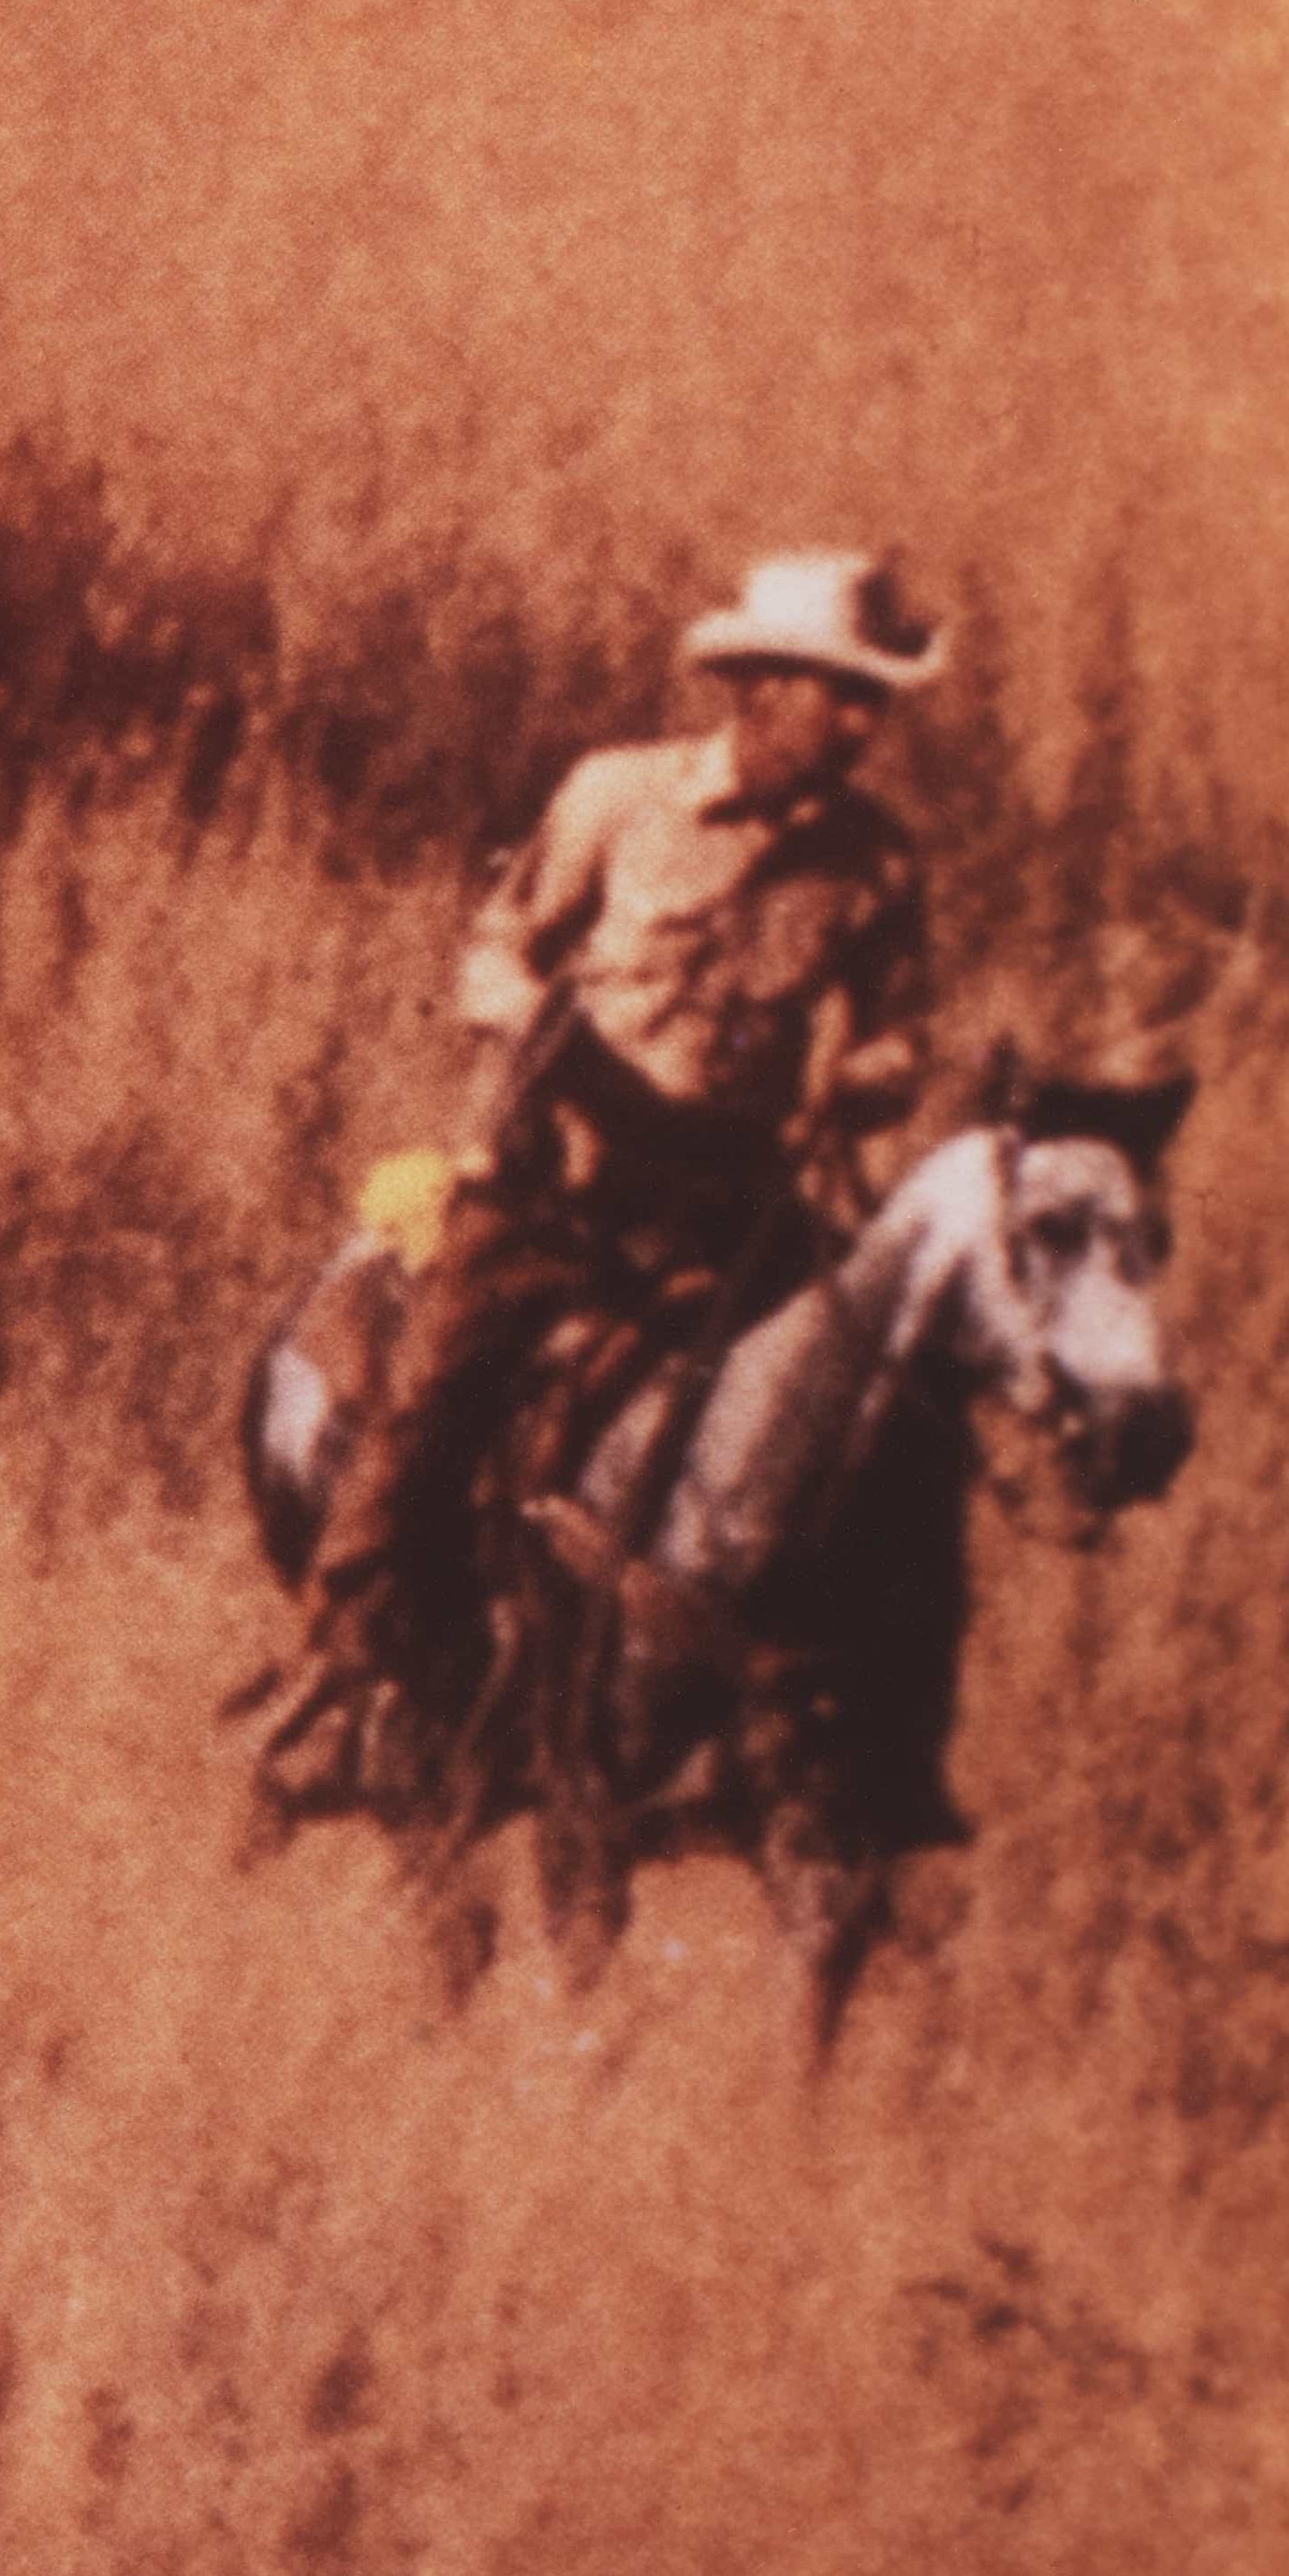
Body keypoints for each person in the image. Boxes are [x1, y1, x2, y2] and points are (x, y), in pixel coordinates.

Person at [259, 549, 944, 1819]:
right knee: (440, 1378)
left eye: (875, 701)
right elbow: (500, 946)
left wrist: (874, 1077)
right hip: (568, 1186)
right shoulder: (619, 798)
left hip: (740, 1199)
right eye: (840, 694)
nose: (863, 725)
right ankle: (348, 1649)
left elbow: (907, 1029)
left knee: (886, 1416)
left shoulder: (874, 858)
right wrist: (538, 1039)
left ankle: (858, 1731)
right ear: (761, 688)